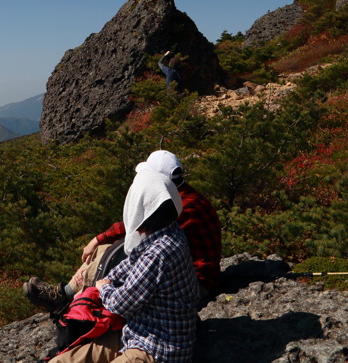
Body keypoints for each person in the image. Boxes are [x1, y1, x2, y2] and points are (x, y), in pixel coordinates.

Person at [25, 151, 221, 309]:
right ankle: (67, 294)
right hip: (188, 273)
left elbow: (137, 226)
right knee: (108, 250)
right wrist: (99, 240)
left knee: (112, 254)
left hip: (194, 284)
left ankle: (71, 300)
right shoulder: (181, 197)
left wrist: (99, 243)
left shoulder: (181, 206)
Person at [46, 168, 200, 363]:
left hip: (157, 349)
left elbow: (121, 304)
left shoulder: (158, 253)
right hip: (138, 332)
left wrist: (104, 286)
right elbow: (132, 261)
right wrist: (110, 277)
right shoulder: (169, 232)